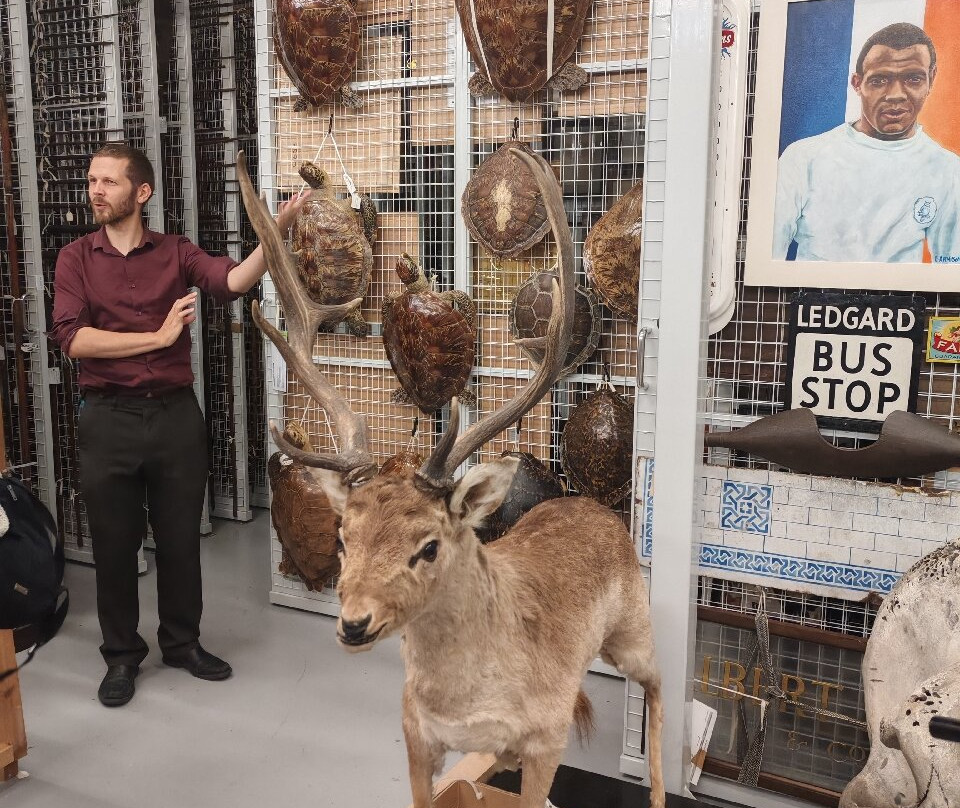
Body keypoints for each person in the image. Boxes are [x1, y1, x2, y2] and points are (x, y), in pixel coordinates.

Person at [50, 143, 310, 707]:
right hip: (108, 420)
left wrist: (277, 228)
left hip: (173, 418)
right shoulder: (75, 258)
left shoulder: (175, 252)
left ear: (141, 192)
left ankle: (182, 643)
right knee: (115, 547)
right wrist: (159, 338)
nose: (96, 190)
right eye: (92, 180)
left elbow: (234, 281)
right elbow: (73, 340)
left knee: (179, 543)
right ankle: (120, 657)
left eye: (109, 182)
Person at [773, 22, 960, 264]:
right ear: (857, 83)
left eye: (913, 79)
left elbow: (951, 273)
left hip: (898, 300)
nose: (896, 95)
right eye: (879, 80)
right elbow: (768, 259)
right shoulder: (802, 158)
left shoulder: (947, 170)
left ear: (930, 79)